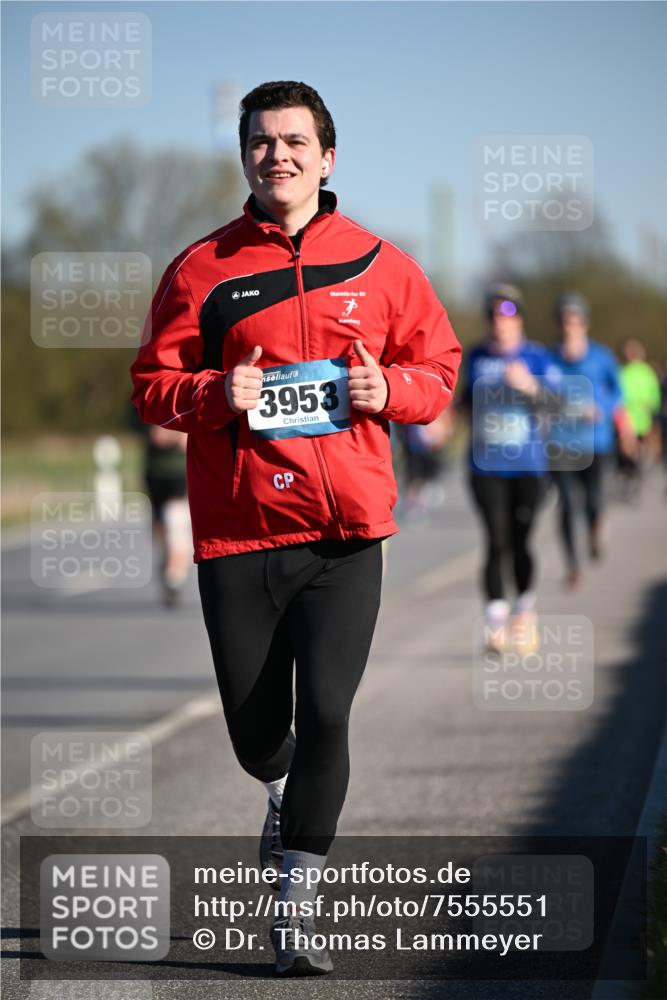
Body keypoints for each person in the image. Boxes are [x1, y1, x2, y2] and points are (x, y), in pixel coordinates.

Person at [130, 80, 461, 976]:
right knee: (252, 734)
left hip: (345, 535)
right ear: (244, 154)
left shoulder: (382, 265)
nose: (276, 155)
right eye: (260, 142)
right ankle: (275, 790)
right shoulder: (201, 268)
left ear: (328, 155)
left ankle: (297, 902)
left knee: (327, 712)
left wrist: (387, 389)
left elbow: (437, 365)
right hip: (239, 534)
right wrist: (209, 392)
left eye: (293, 141)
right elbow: (150, 383)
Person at [461, 283, 558, 656]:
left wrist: (530, 387)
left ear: (518, 319)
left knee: (520, 541)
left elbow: (557, 402)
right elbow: (465, 404)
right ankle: (495, 625)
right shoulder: (477, 357)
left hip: (527, 466)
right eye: (492, 315)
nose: (498, 323)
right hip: (484, 465)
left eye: (506, 315)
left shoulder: (536, 356)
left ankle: (524, 611)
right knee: (495, 540)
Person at [547, 293, 622, 590]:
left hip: (595, 441)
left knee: (592, 500)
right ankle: (573, 567)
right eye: (565, 321)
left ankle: (596, 526)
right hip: (561, 441)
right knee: (566, 504)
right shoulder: (550, 358)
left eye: (575, 321)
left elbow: (619, 391)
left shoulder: (602, 357)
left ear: (585, 324)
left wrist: (603, 408)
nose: (570, 326)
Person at [143, 424, 191, 605]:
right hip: (155, 475)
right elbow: (157, 435)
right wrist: (179, 434)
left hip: (180, 474)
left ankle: (174, 577)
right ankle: (168, 564)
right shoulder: (145, 397)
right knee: (160, 529)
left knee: (176, 522)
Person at [617, 339, 662, 499]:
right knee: (629, 450)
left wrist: (653, 408)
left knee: (634, 450)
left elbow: (654, 394)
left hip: (638, 418)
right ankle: (632, 472)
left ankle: (633, 473)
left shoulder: (641, 372)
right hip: (630, 418)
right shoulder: (626, 372)